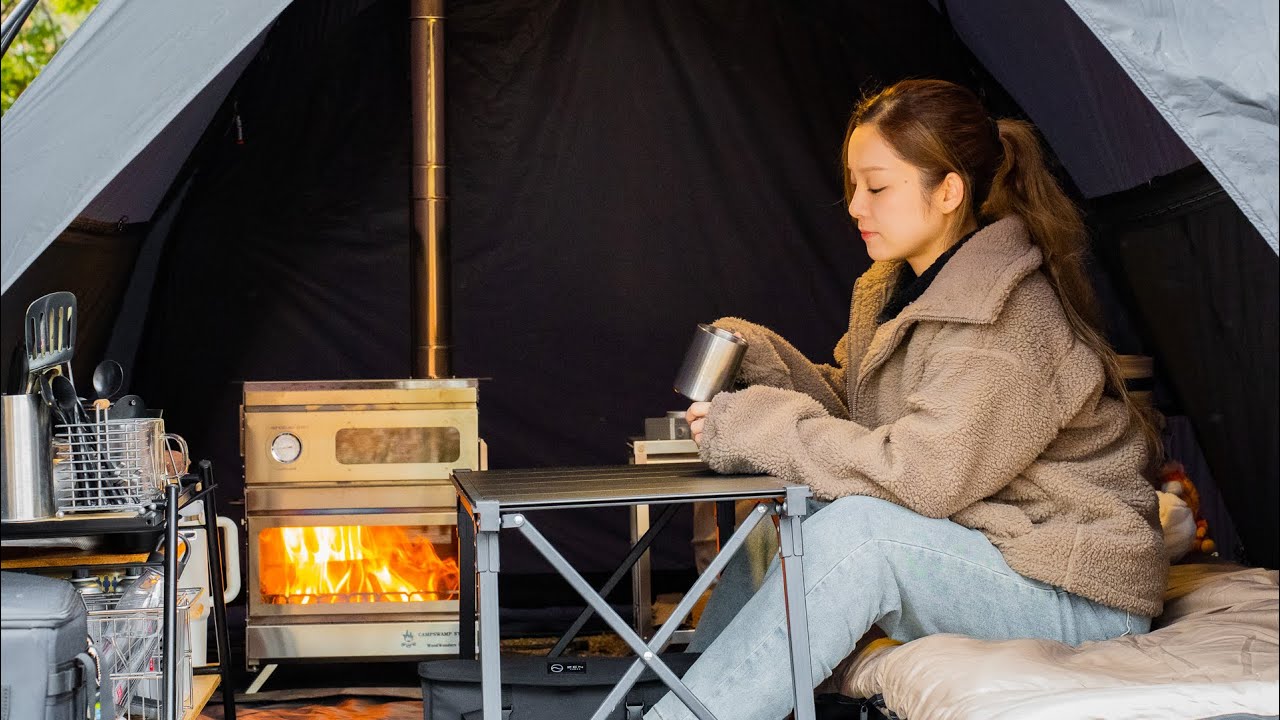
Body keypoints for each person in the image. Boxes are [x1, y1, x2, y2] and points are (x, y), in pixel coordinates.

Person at [645, 79, 1166, 720]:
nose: (856, 205)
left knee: (860, 535)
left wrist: (754, 425)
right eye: (855, 185)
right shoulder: (900, 288)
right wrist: (767, 362)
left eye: (878, 186)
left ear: (948, 191)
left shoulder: (1005, 318)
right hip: (993, 547)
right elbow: (865, 415)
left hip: (1074, 587)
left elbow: (918, 474)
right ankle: (691, 699)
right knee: (781, 528)